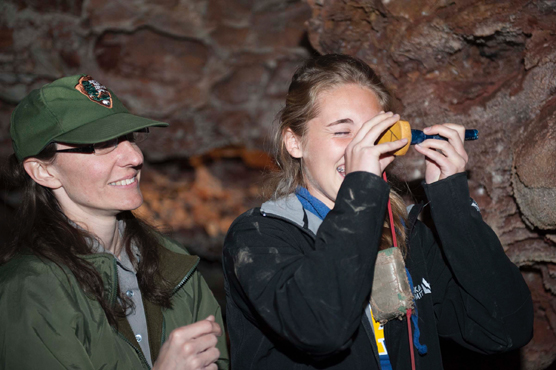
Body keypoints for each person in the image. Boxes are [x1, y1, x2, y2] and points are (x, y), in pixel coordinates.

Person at [222, 54, 533, 369]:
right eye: (342, 131)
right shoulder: (259, 237)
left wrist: (451, 204)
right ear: (294, 142)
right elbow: (321, 329)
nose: (362, 149)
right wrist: (362, 190)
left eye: (374, 134)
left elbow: (504, 329)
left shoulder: (406, 234)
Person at [0, 75, 229, 370]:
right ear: (44, 172)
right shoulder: (29, 292)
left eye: (130, 138)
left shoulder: (174, 263)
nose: (134, 156)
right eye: (101, 143)